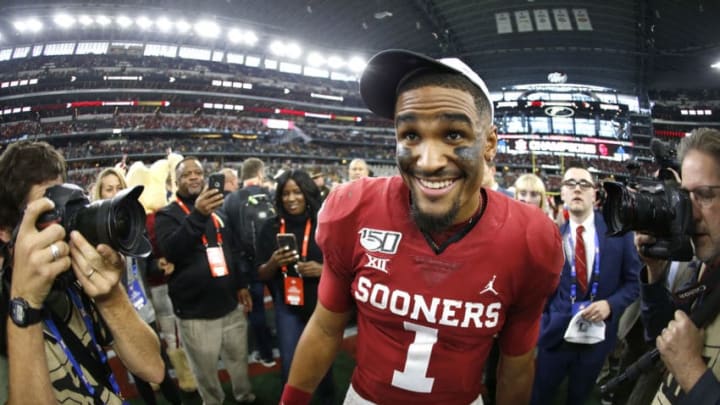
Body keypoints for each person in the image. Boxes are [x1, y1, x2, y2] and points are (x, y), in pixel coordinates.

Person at [280, 49, 564, 404]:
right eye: (411, 135)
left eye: (454, 135)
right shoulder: (351, 210)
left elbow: (517, 362)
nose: (428, 162)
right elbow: (325, 326)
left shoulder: (530, 238)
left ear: (489, 143)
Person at [0, 141, 164, 404]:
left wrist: (111, 297)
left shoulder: (72, 281)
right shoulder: (6, 305)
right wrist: (25, 303)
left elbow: (153, 369)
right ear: (7, 230)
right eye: (52, 210)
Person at [531, 163, 641, 405]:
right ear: (562, 193)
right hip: (555, 337)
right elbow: (538, 290)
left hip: (596, 340)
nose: (577, 189)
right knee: (540, 397)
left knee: (580, 399)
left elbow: (634, 284)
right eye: (570, 183)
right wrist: (544, 323)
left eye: (584, 184)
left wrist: (611, 305)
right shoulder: (550, 236)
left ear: (594, 193)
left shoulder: (619, 235)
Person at [154, 157, 255, 405]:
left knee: (239, 361)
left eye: (197, 172)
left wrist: (241, 284)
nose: (193, 177)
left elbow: (231, 248)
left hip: (229, 305)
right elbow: (172, 250)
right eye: (186, 174)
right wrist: (198, 214)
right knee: (205, 372)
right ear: (175, 181)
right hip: (195, 313)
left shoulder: (219, 210)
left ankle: (245, 397)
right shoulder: (167, 214)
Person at [638, 128, 720, 404]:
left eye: (706, 195)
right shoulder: (702, 267)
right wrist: (655, 272)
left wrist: (691, 372)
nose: (691, 213)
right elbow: (663, 339)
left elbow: (680, 359)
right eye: (687, 196)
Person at [92, 167, 183, 405]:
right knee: (137, 370)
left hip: (144, 309)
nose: (114, 193)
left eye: (119, 187)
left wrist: (157, 266)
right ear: (99, 194)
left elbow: (145, 265)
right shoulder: (93, 233)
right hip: (117, 313)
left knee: (160, 361)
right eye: (108, 189)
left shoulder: (133, 222)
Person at [255, 169, 335, 404]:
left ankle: (327, 399)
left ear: (307, 193)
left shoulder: (326, 222)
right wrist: (273, 263)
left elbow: (346, 265)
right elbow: (260, 273)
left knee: (323, 364)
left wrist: (323, 270)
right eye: (285, 193)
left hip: (321, 306)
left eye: (297, 192)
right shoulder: (270, 227)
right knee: (290, 364)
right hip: (287, 305)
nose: (291, 199)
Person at [224, 157, 277, 368]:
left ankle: (266, 354)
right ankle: (291, 344)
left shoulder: (231, 200)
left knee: (256, 311)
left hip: (248, 265)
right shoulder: (272, 195)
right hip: (274, 262)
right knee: (282, 306)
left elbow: (229, 239)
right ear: (261, 173)